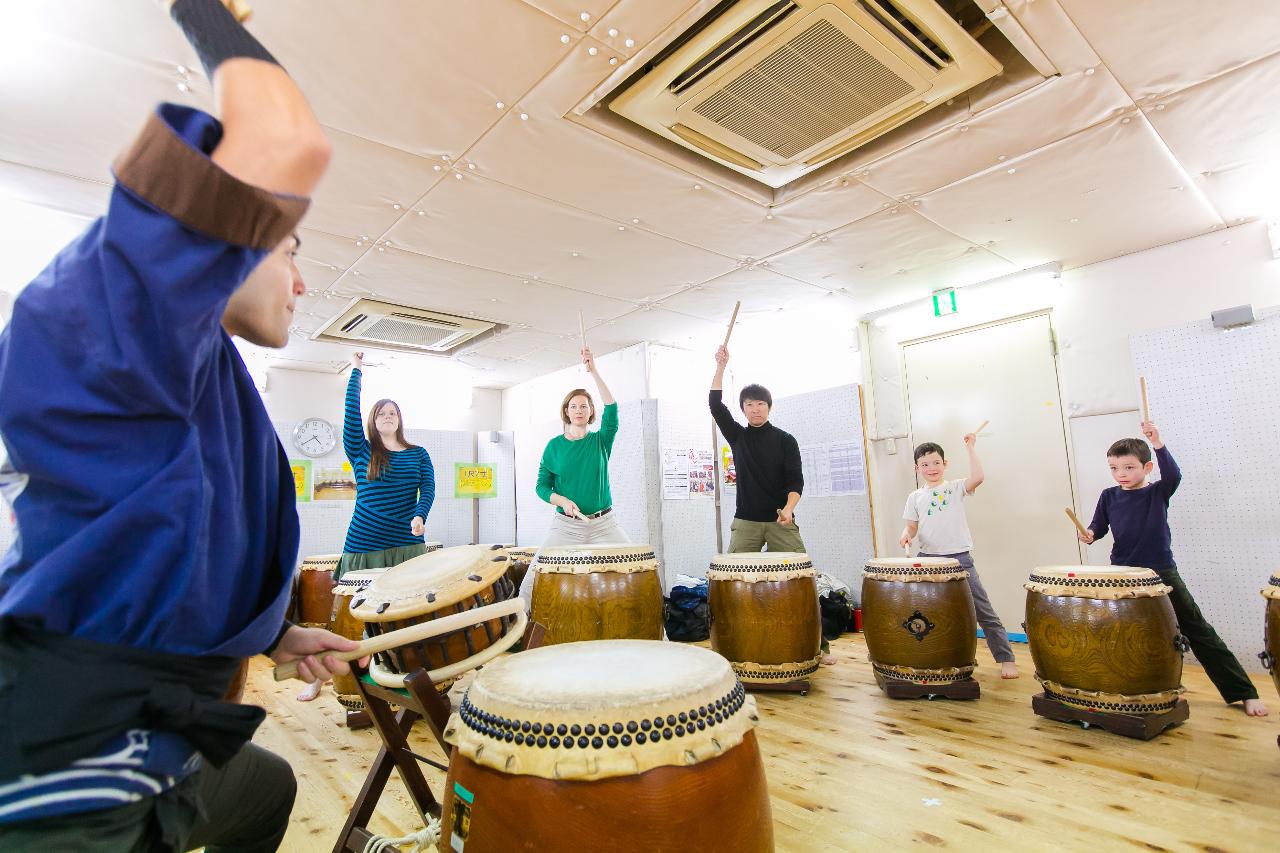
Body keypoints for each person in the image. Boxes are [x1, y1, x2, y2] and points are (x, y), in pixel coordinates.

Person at [0, 2, 360, 849]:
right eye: (289, 247)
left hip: (155, 733)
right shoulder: (113, 306)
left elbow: (177, 539)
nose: (300, 282)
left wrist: (275, 633)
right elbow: (284, 141)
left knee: (265, 786)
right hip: (62, 760)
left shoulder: (191, 365)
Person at [1080, 423, 1267, 716]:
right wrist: (1090, 533)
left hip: (1160, 573)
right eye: (1114, 468)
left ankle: (1244, 692)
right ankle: (1127, 689)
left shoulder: (1158, 492)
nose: (1121, 474)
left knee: (1198, 630)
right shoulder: (1109, 496)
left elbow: (1174, 475)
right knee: (1124, 633)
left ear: (1147, 467)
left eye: (1128, 467)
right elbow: (1099, 526)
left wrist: (1158, 443)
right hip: (1123, 574)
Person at [296, 351, 436, 702]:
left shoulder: (418, 453)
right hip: (363, 542)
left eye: (393, 413)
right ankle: (322, 676)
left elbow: (429, 489)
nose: (387, 416)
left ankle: (401, 676)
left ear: (400, 420)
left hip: (406, 543)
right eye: (381, 413)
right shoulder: (360, 449)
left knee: (406, 615)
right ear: (374, 421)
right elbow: (349, 414)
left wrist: (420, 515)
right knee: (349, 617)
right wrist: (356, 372)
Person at [710, 345, 835, 665]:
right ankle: (731, 643)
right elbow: (714, 403)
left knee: (802, 578)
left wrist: (790, 508)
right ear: (743, 409)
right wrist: (721, 365)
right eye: (749, 405)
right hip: (746, 521)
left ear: (769, 407)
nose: (755, 409)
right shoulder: (737, 437)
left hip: (781, 519)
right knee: (733, 579)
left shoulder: (785, 440)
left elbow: (796, 481)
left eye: (760, 404)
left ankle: (819, 646)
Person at [900, 436, 1018, 679]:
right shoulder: (915, 497)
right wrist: (906, 534)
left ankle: (1006, 659)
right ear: (917, 468)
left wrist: (970, 448)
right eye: (925, 465)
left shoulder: (954, 488)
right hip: (928, 560)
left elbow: (978, 477)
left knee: (983, 611)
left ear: (945, 464)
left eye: (936, 463)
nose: (931, 469)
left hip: (959, 559)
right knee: (928, 613)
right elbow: (911, 526)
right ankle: (935, 656)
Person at [518, 346, 627, 604]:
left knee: (635, 566)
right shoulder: (554, 446)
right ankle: (518, 627)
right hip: (566, 527)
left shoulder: (601, 441)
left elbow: (612, 408)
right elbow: (541, 487)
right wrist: (562, 501)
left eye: (584, 406)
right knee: (533, 578)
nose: (579, 410)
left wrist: (595, 372)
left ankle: (660, 637)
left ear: (591, 412)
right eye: (574, 406)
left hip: (604, 524)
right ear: (566, 411)